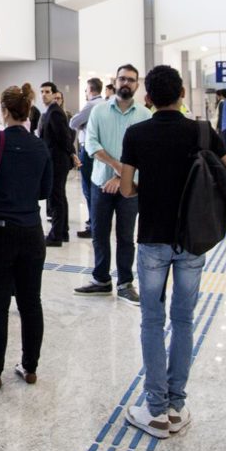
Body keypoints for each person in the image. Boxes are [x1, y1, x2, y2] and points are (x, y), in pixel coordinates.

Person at [120, 64, 226, 437]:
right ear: (182, 96)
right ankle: (176, 404)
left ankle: (154, 409)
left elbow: (127, 190)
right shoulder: (201, 131)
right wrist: (218, 217)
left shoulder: (137, 133)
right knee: (185, 320)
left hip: (153, 239)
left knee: (152, 320)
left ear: (148, 99)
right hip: (193, 240)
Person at [0, 85, 52, 389]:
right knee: (31, 302)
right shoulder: (40, 146)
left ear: (3, 110)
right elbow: (45, 191)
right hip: (32, 231)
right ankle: (29, 367)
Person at [77, 64, 151, 304]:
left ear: (137, 85)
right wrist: (118, 167)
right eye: (122, 79)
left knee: (126, 236)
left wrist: (121, 178)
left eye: (131, 80)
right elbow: (91, 145)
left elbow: (146, 154)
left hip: (131, 188)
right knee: (99, 233)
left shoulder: (144, 115)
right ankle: (101, 280)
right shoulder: (99, 111)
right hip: (101, 184)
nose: (126, 83)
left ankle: (125, 283)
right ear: (115, 82)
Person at [38, 81, 77, 246]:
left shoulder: (55, 113)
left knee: (56, 198)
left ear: (54, 94)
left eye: (47, 91)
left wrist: (71, 154)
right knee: (58, 196)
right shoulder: (49, 112)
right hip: (54, 159)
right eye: (42, 91)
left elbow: (65, 137)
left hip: (57, 161)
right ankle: (62, 231)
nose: (44, 94)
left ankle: (56, 235)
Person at [69, 78, 104, 239]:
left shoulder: (91, 105)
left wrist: (83, 125)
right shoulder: (105, 104)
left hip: (88, 150)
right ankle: (98, 222)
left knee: (88, 188)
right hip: (101, 150)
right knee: (97, 187)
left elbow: (73, 122)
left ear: (90, 89)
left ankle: (92, 224)